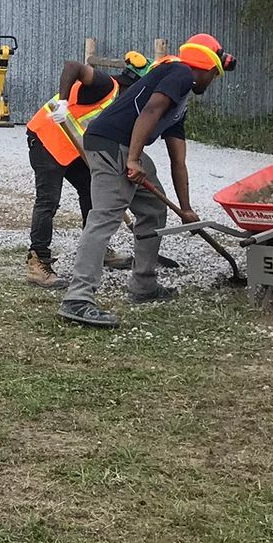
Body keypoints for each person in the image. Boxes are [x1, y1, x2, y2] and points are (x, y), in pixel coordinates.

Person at [57, 34, 233, 328]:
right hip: (110, 143)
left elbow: (178, 160)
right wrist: (133, 160)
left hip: (127, 147)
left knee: (153, 209)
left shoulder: (180, 101)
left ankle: (144, 284)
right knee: (105, 218)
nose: (212, 80)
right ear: (205, 65)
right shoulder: (181, 72)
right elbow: (150, 110)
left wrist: (186, 209)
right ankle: (77, 299)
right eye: (214, 73)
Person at [23, 51, 148, 287]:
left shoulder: (121, 106)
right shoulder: (105, 85)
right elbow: (72, 66)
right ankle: (38, 264)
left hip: (72, 147)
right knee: (48, 201)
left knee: (92, 190)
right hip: (46, 139)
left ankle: (96, 248)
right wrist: (62, 102)